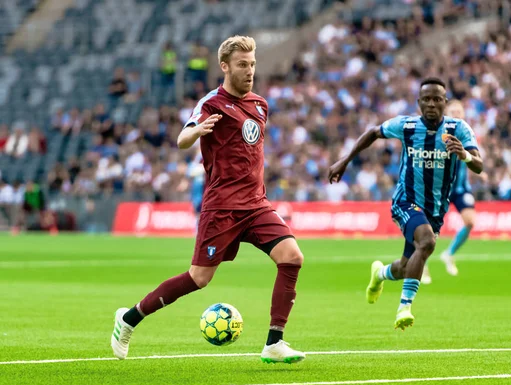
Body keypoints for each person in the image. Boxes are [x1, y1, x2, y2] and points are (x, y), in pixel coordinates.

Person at [111, 36, 306, 364]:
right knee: (199, 278)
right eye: (242, 65)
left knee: (292, 257)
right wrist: (197, 131)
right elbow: (182, 138)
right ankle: (128, 319)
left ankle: (274, 342)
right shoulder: (211, 103)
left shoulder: (260, 105)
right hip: (222, 207)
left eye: (253, 64)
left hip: (256, 204)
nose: (249, 71)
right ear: (225, 66)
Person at [328, 78, 483, 331]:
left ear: (444, 103)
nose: (432, 104)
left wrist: (464, 154)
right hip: (406, 201)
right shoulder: (407, 125)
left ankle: (380, 274)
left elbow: (479, 163)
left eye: (437, 99)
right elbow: (372, 133)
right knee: (427, 242)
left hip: (435, 209)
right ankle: (404, 307)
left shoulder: (459, 128)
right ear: (419, 103)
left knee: (405, 266)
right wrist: (345, 161)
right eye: (426, 99)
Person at [437, 99, 487, 279]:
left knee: (470, 221)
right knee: (427, 228)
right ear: (447, 113)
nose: (457, 114)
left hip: (460, 190)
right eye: (454, 111)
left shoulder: (466, 133)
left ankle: (448, 253)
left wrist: (480, 173)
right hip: (440, 189)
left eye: (460, 111)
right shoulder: (439, 133)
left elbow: (473, 158)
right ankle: (422, 264)